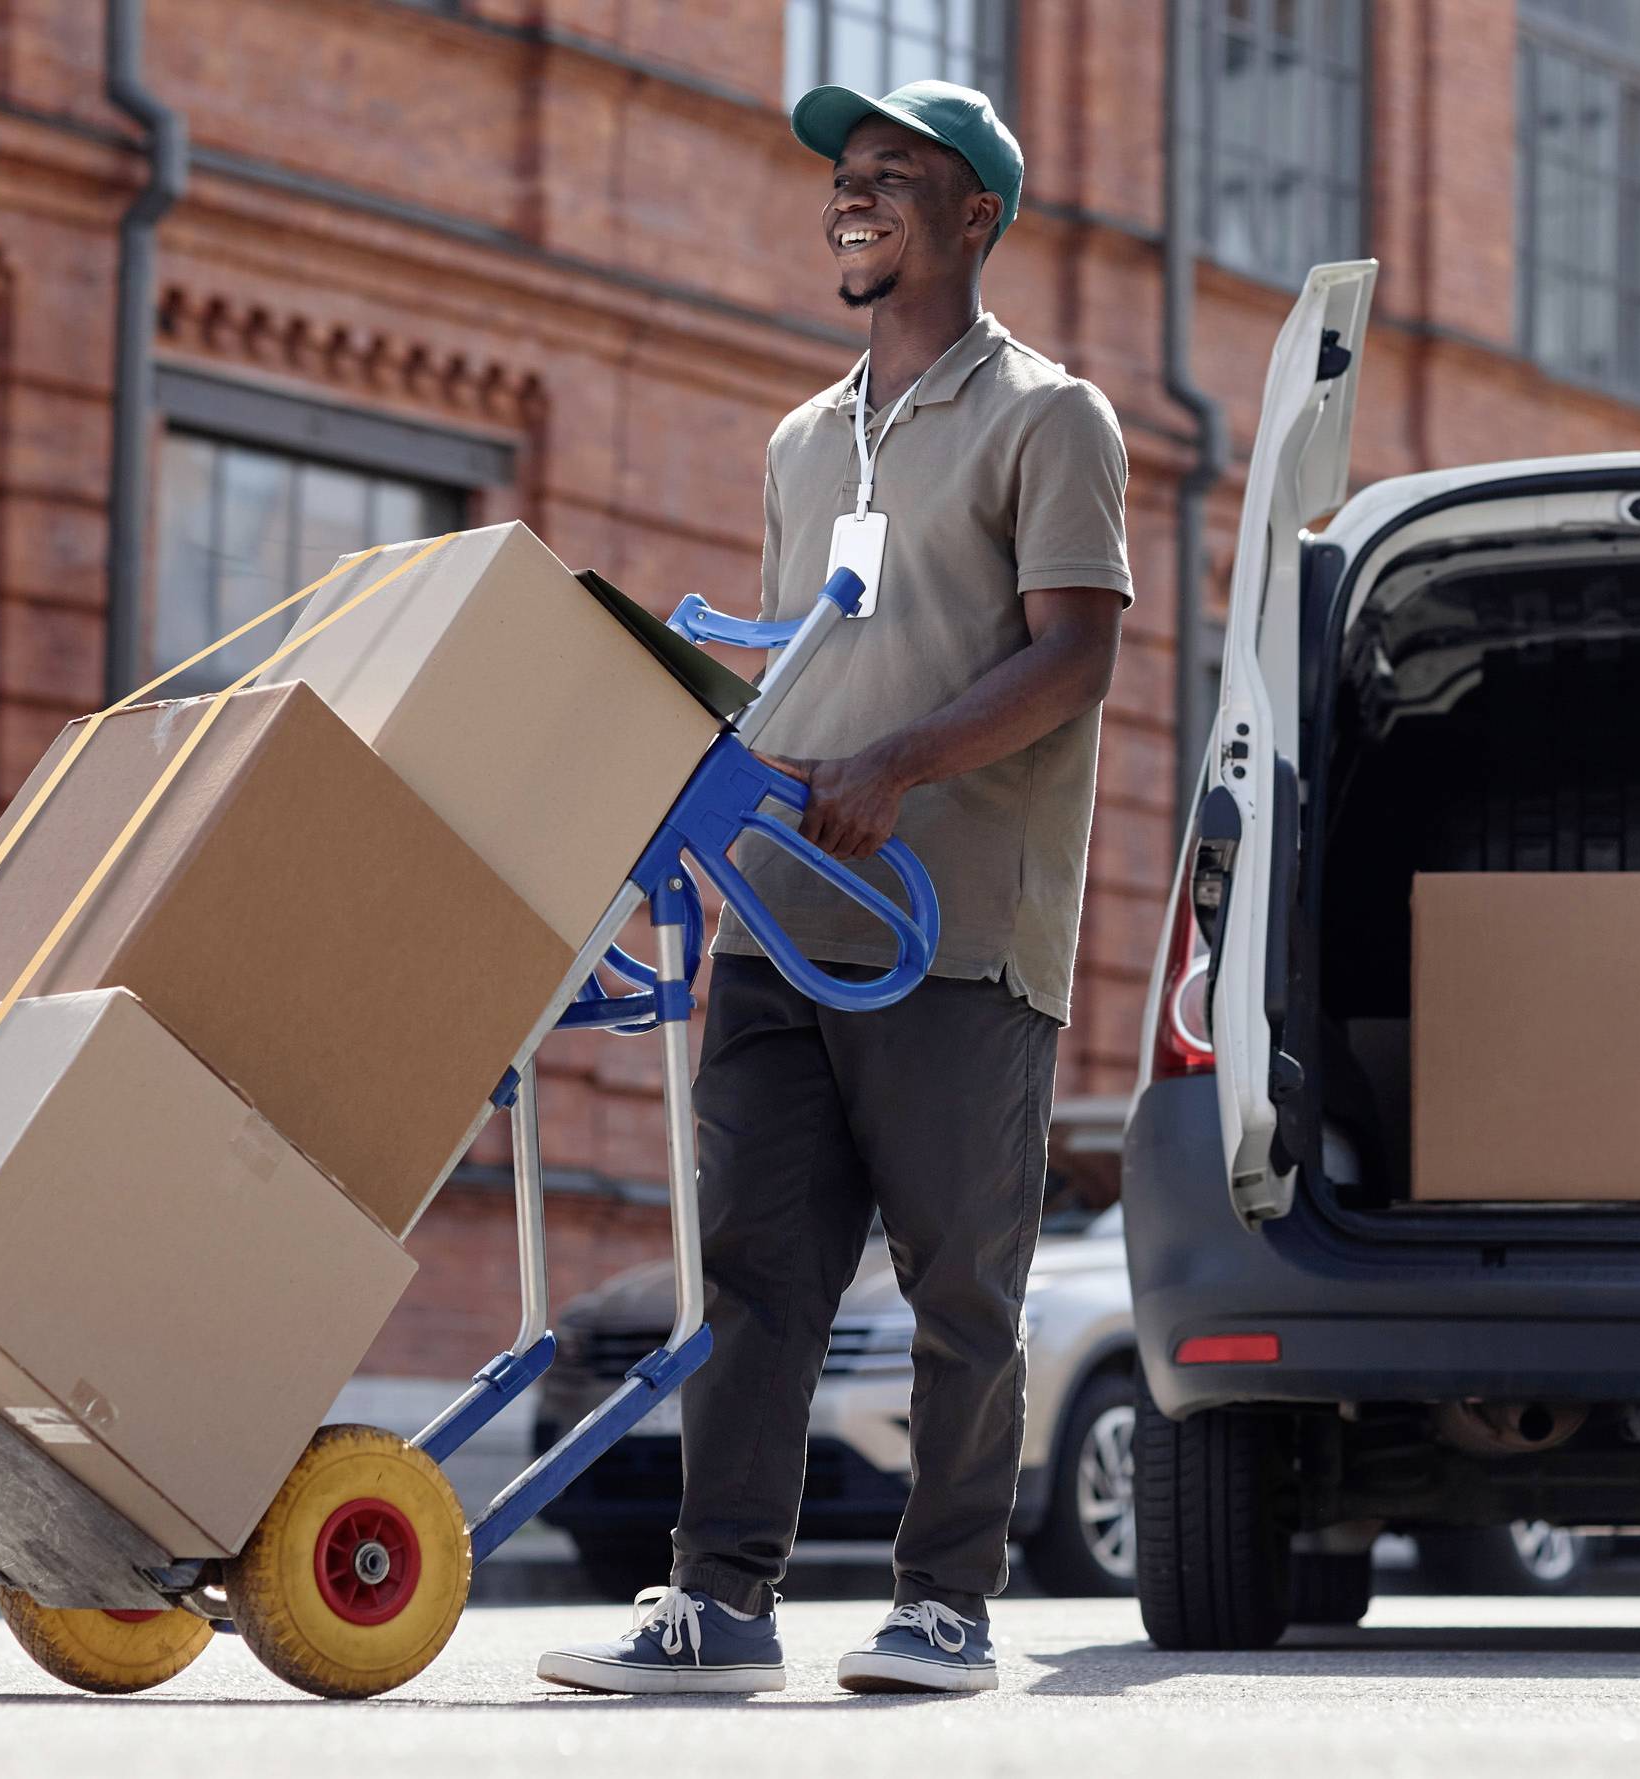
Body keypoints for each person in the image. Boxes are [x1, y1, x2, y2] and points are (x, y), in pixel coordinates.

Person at [536, 77, 1131, 1698]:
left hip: (955, 930)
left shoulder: (1047, 417)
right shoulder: (805, 439)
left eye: (894, 177)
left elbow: (1077, 653)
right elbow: (804, 667)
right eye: (844, 177)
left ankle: (945, 1606)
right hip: (782, 919)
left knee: (960, 1282)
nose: (853, 197)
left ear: (976, 219)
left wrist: (902, 769)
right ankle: (718, 1606)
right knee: (753, 1272)